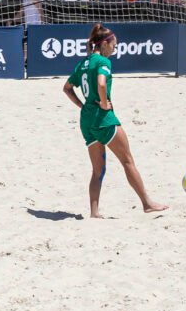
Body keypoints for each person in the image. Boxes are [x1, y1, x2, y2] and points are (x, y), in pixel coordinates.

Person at [62, 23, 168, 218]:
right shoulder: (103, 62)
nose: (115, 49)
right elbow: (101, 84)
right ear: (104, 43)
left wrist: (83, 105)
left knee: (97, 170)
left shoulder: (83, 63)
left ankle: (94, 212)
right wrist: (103, 103)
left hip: (86, 120)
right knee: (127, 161)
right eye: (114, 45)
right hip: (103, 119)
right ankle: (147, 203)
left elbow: (67, 88)